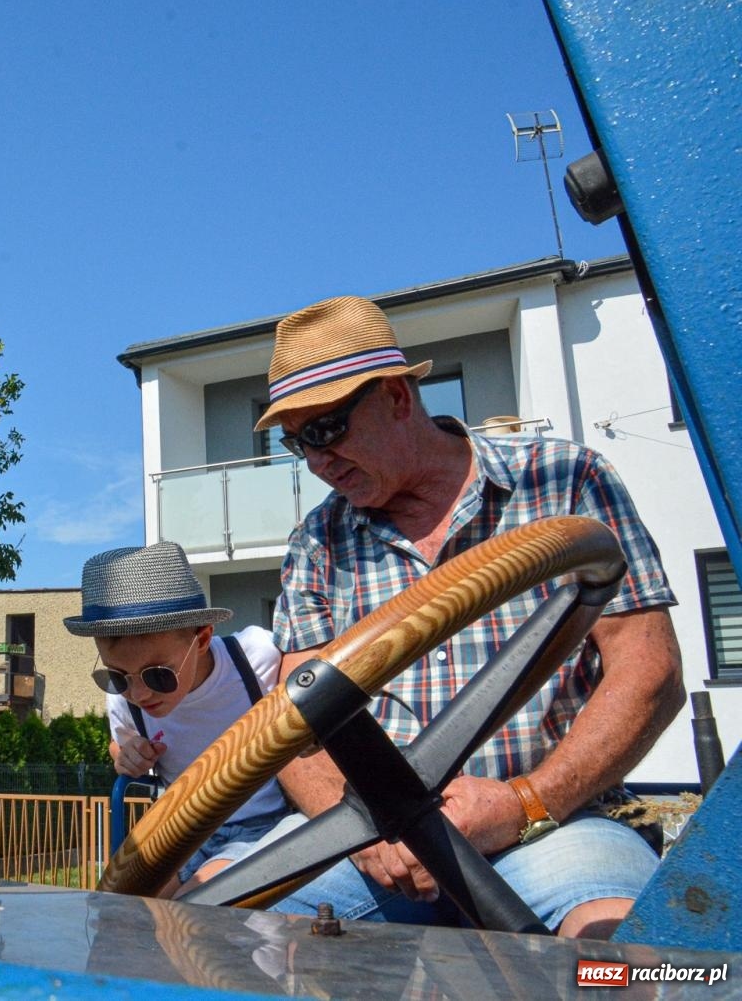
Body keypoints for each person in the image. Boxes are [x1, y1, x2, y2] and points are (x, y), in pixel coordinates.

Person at [251, 295, 684, 938]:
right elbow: (294, 726)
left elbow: (649, 672)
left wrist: (524, 802)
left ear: (396, 397)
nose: (315, 462)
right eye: (296, 443)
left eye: (324, 431)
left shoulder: (564, 479)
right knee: (209, 931)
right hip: (376, 843)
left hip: (555, 825)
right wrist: (360, 829)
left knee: (609, 952)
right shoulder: (318, 540)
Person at [65, 541, 290, 898]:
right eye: (117, 676)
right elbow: (121, 744)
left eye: (157, 674)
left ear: (202, 639)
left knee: (198, 904)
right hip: (181, 829)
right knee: (125, 911)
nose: (140, 694)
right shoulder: (122, 700)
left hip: (261, 824)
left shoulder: (255, 659)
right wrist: (126, 754)